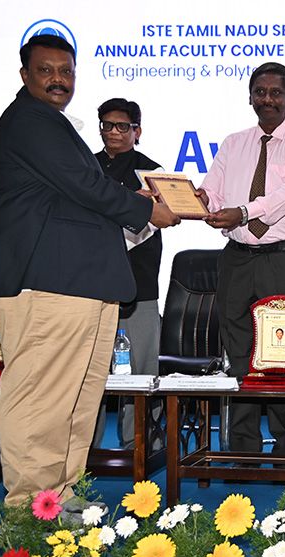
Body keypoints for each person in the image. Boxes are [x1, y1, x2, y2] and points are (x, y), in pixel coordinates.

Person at [0, 35, 179, 507]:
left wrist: (136, 200)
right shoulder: (29, 119)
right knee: (42, 396)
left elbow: (73, 193)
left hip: (74, 283)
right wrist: (146, 210)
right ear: (24, 75)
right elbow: (86, 185)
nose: (58, 80)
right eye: (46, 70)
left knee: (76, 397)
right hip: (44, 282)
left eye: (66, 71)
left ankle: (59, 494)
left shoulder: (53, 125)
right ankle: (30, 504)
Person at [199, 62, 285, 456]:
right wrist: (199, 200)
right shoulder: (233, 143)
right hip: (236, 259)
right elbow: (213, 190)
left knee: (284, 355)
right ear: (250, 97)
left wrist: (243, 212)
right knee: (238, 355)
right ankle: (244, 450)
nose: (267, 99)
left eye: (276, 93)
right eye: (260, 92)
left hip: (283, 260)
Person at [91, 98, 163, 450]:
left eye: (122, 126)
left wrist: (112, 220)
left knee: (142, 370)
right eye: (107, 125)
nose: (113, 132)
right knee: (89, 371)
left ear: (137, 131)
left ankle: (142, 447)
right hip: (90, 284)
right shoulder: (85, 167)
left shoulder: (152, 171)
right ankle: (84, 449)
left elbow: (153, 222)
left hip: (139, 282)